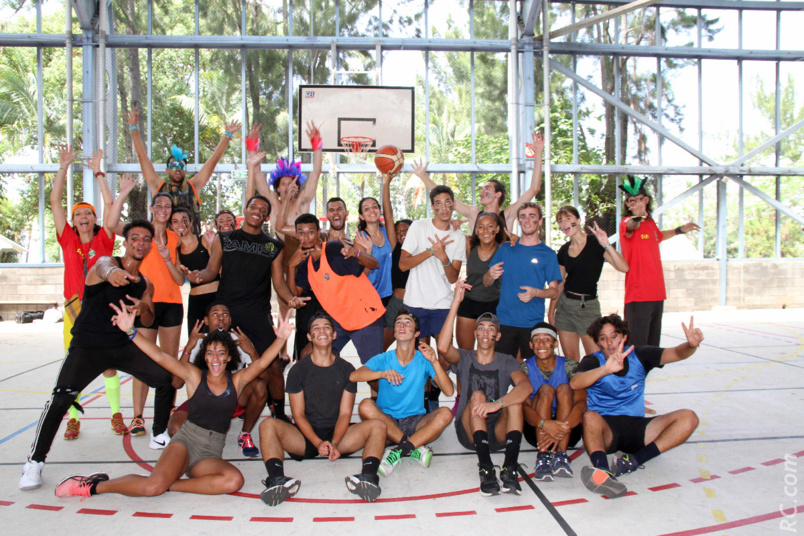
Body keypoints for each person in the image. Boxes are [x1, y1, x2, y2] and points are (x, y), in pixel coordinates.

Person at [53, 305, 293, 500]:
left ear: (229, 357)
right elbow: (160, 356)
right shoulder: (194, 376)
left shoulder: (237, 380)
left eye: (221, 353)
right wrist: (131, 332)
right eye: (210, 353)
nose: (215, 359)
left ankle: (172, 484)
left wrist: (280, 339)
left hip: (211, 450)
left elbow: (261, 365)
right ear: (204, 357)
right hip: (186, 442)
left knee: (233, 481)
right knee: (151, 488)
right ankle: (93, 485)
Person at [19, 220, 174, 491]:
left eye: (146, 239)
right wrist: (113, 272)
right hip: (88, 346)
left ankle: (159, 432)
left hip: (122, 345)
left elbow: (149, 316)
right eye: (135, 238)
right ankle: (34, 462)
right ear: (125, 243)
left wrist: (142, 309)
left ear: (150, 245)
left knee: (165, 378)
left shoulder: (145, 284)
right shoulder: (104, 263)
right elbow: (103, 268)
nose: (140, 243)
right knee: (61, 398)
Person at [186, 195, 309, 423]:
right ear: (246, 209)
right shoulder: (224, 238)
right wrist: (198, 276)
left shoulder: (273, 246)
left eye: (263, 209)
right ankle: (207, 407)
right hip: (226, 313)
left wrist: (291, 299)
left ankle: (279, 412)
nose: (257, 211)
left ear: (266, 217)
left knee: (272, 365)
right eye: (254, 206)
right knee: (212, 359)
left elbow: (279, 283)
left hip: (256, 314)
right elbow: (211, 271)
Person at [258, 313, 387, 506]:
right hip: (306, 438)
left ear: (334, 335)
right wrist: (318, 443)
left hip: (339, 436)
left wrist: (334, 442)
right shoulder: (298, 370)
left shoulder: (347, 369)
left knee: (378, 426)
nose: (322, 331)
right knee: (267, 425)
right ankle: (276, 480)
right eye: (316, 328)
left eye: (326, 327)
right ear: (309, 337)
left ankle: (368, 478)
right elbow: (298, 414)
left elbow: (345, 413)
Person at [49, 145, 134, 439]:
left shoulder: (104, 238)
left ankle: (115, 414)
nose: (83, 216)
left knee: (108, 365)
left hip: (100, 309)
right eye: (79, 214)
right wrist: (64, 166)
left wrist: (99, 171)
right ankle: (73, 418)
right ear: (73, 221)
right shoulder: (66, 238)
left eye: (88, 213)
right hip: (74, 309)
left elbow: (111, 205)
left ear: (94, 219)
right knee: (74, 366)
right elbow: (55, 201)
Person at [570, 313, 702, 498]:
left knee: (689, 417)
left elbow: (675, 353)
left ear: (624, 337)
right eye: (603, 338)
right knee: (590, 417)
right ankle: (602, 472)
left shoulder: (639, 354)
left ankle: (633, 461)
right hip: (606, 430)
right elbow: (576, 383)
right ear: (598, 344)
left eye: (614, 336)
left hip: (638, 427)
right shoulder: (593, 361)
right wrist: (605, 369)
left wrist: (690, 346)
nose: (610, 342)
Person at [437, 281, 533, 496]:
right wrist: (456, 303)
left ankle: (509, 468)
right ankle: (486, 468)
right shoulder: (465, 357)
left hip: (498, 432)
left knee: (514, 400)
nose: (485, 332)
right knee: (477, 395)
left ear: (498, 336)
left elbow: (525, 387)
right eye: (481, 328)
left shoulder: (507, 360)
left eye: (491, 329)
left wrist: (498, 404)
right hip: (469, 432)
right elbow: (442, 347)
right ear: (475, 334)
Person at [351, 309, 454, 477]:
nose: (402, 325)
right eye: (398, 322)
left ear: (417, 333)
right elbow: (354, 376)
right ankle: (411, 446)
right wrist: (382, 373)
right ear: (394, 332)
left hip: (415, 421)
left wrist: (434, 362)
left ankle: (398, 451)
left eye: (407, 323)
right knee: (365, 405)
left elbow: (449, 391)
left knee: (445, 414)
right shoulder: (383, 358)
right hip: (387, 421)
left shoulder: (424, 359)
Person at [167, 303, 269, 459]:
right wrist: (188, 347)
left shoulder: (239, 340)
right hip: (202, 401)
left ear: (230, 320)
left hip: (231, 399)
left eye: (225, 314)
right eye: (215, 314)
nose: (221, 317)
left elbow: (265, 378)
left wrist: (252, 352)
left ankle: (245, 434)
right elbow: (176, 383)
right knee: (174, 429)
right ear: (206, 321)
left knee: (260, 386)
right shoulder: (198, 341)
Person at [123, 192, 184, 445]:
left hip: (172, 303)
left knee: (168, 362)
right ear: (150, 207)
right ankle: (138, 416)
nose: (162, 209)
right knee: (143, 361)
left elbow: (179, 276)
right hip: (146, 303)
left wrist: (170, 259)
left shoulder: (173, 237)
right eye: (158, 204)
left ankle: (166, 410)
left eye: (167, 206)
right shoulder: (141, 234)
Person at [287, 213, 385, 367]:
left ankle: (388, 391)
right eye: (301, 233)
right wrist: (291, 266)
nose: (306, 237)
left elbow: (374, 264)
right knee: (309, 357)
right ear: (296, 236)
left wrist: (357, 253)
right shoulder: (304, 263)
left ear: (319, 233)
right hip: (339, 322)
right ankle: (334, 388)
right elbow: (295, 293)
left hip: (365, 318)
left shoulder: (333, 250)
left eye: (311, 232)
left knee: (373, 375)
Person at [126, 108, 240, 235]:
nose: (178, 168)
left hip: (191, 246)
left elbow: (212, 161)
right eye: (174, 165)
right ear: (167, 170)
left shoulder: (193, 186)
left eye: (181, 165)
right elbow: (143, 157)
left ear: (185, 170)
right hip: (164, 244)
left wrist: (227, 135)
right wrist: (133, 128)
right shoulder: (159, 187)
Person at [619, 176, 700, 346]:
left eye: (640, 200)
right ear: (627, 205)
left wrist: (680, 230)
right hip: (638, 295)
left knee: (652, 346)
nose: (637, 204)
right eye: (632, 201)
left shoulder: (649, 223)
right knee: (637, 347)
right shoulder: (627, 222)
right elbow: (631, 227)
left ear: (646, 200)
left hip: (657, 294)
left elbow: (659, 236)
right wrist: (639, 216)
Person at [410, 131, 544, 230]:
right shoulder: (474, 213)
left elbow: (534, 189)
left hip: (502, 268)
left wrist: (538, 153)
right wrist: (423, 176)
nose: (482, 191)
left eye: (487, 188)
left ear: (498, 194)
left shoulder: (508, 214)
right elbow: (443, 196)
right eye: (482, 189)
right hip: (478, 268)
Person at [548, 206, 629, 362]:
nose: (564, 223)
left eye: (568, 219)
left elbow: (624, 267)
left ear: (578, 221)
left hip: (588, 308)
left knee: (596, 359)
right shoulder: (564, 251)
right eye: (560, 221)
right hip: (565, 308)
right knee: (571, 361)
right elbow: (560, 283)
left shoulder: (595, 243)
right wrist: (551, 312)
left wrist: (606, 244)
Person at [484, 202, 562, 361]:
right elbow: (486, 282)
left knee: (534, 373)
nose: (527, 220)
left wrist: (536, 293)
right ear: (519, 221)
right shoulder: (506, 249)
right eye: (523, 217)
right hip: (505, 321)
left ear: (540, 221)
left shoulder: (548, 254)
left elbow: (554, 291)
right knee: (501, 372)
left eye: (532, 216)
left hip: (532, 323)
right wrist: (491, 274)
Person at [399, 185, 467, 342]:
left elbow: (452, 278)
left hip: (443, 303)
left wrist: (443, 258)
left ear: (453, 204)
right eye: (438, 203)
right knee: (421, 354)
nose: (443, 208)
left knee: (445, 353)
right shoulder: (418, 226)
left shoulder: (458, 237)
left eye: (447, 202)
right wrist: (430, 251)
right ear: (432, 206)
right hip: (415, 302)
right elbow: (402, 265)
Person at [521, 322, 586, 481]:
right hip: (537, 429)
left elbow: (581, 402)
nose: (541, 344)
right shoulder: (525, 368)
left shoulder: (570, 366)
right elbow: (524, 406)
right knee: (545, 390)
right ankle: (543, 456)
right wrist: (544, 423)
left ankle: (561, 455)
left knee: (564, 388)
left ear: (555, 343)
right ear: (531, 345)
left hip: (568, 429)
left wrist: (563, 426)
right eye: (536, 340)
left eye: (546, 339)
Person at [171, 207, 218, 334]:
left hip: (215, 298)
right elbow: (180, 281)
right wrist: (167, 260)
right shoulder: (176, 251)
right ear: (171, 225)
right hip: (195, 302)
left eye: (184, 220)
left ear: (191, 222)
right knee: (196, 345)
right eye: (175, 221)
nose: (180, 224)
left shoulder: (204, 240)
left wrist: (213, 245)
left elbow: (219, 270)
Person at [382, 218, 412, 350]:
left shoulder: (422, 250)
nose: (401, 234)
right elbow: (389, 217)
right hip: (397, 302)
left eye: (405, 230)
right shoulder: (395, 248)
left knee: (419, 347)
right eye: (398, 232)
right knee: (380, 347)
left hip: (417, 303)